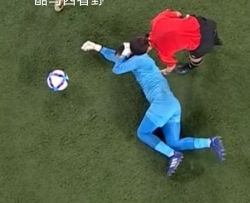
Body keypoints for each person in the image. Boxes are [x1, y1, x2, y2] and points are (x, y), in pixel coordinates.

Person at [81, 38, 225, 176]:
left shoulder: (138, 60)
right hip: (172, 104)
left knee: (143, 133)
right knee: (174, 142)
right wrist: (97, 47)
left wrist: (124, 53)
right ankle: (210, 142)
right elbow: (117, 58)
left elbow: (117, 68)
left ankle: (172, 155)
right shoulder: (140, 59)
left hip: (161, 105)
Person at [146, 9, 222, 75]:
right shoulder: (156, 21)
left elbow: (171, 67)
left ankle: (190, 66)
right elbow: (178, 13)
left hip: (203, 42)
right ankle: (215, 38)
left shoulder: (163, 52)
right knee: (211, 33)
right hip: (204, 23)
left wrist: (164, 72)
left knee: (194, 56)